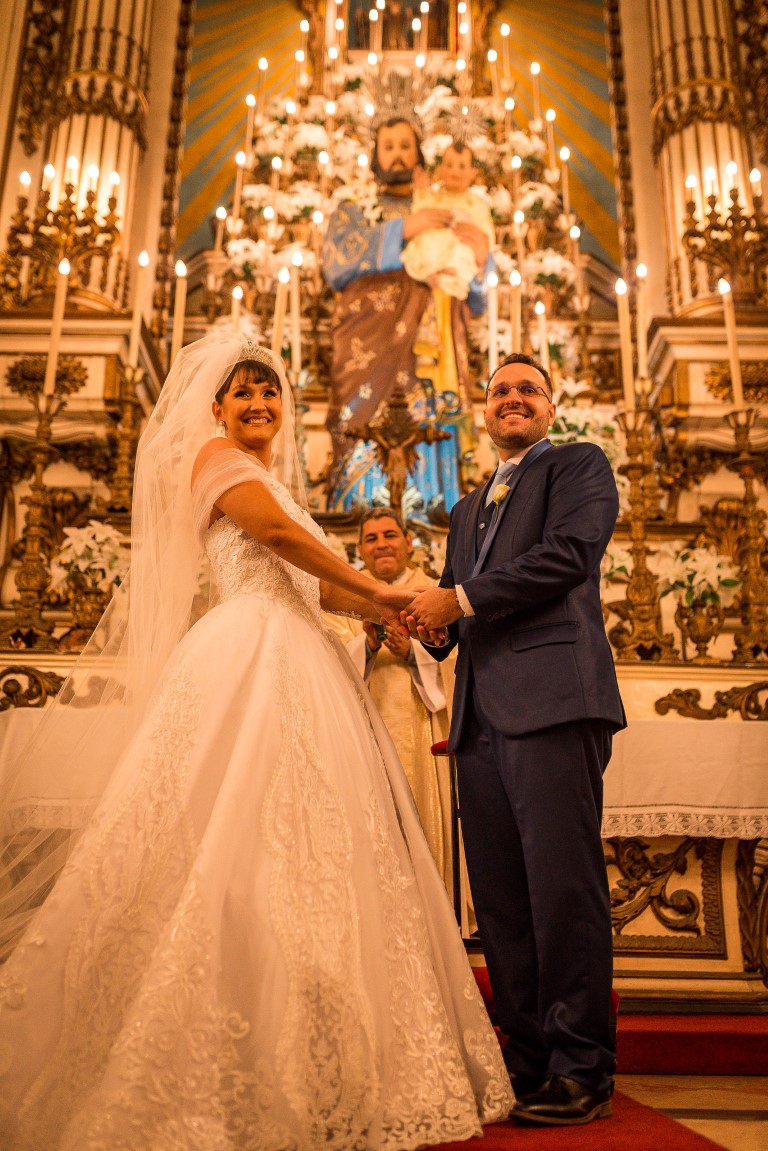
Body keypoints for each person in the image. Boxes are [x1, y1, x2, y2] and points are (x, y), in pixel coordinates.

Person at [0, 333, 514, 1148]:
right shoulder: (212, 461)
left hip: (299, 652)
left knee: (309, 854)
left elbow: (310, 578)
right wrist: (380, 585)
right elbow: (276, 542)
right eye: (243, 393)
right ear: (215, 405)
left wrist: (382, 608)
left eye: (270, 395)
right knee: (227, 843)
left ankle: (316, 1050)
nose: (258, 406)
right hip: (247, 656)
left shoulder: (273, 476)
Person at [402, 352, 626, 1127]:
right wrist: (410, 624)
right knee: (501, 900)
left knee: (562, 890)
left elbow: (567, 558)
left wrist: (453, 597)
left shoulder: (577, 467)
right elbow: (450, 616)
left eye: (528, 388)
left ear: (550, 405)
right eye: (500, 390)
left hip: (555, 701)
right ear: (483, 410)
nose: (513, 398)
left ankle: (581, 1067)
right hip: (480, 720)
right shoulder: (466, 509)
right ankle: (527, 1059)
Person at [322, 115, 492, 503]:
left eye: (405, 146)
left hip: (430, 343)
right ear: (375, 155)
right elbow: (335, 263)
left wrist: (482, 258)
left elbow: (476, 289)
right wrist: (403, 230)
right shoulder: (355, 207)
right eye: (389, 146)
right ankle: (359, 513)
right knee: (361, 423)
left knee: (430, 416)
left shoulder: (447, 204)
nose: (398, 156)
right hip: (369, 343)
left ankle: (434, 513)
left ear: (419, 155)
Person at [325, 507, 454, 891]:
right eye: (371, 538)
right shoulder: (344, 594)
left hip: (420, 727)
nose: (381, 544)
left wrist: (412, 653)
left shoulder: (433, 591)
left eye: (390, 535)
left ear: (408, 542)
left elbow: (460, 660)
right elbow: (323, 652)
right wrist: (366, 644)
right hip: (360, 728)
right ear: (360, 551)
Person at [402, 141, 496, 302]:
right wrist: (420, 191)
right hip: (433, 247)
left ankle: (450, 276)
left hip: (459, 248)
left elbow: (486, 238)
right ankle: (429, 272)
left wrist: (482, 250)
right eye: (449, 165)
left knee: (464, 253)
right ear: (441, 169)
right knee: (421, 245)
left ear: (473, 172)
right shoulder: (434, 197)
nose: (455, 171)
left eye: (462, 166)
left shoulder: (477, 205)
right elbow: (419, 210)